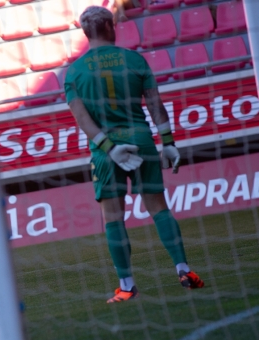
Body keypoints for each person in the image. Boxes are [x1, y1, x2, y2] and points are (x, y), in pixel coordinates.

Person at [65, 6, 204, 303]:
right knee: (158, 208)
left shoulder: (74, 72)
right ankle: (184, 269)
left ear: (85, 32)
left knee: (113, 218)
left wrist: (109, 148)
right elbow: (155, 103)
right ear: (108, 26)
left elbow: (82, 119)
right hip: (140, 141)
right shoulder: (134, 60)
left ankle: (127, 285)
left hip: (106, 152)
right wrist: (168, 142)